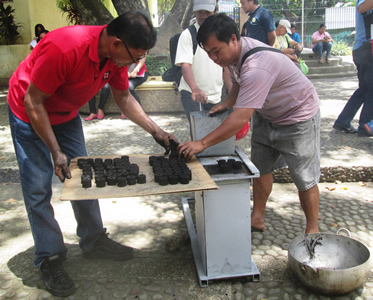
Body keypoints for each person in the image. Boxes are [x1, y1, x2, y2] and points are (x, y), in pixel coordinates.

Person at [7, 11, 177, 297]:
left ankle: (93, 239)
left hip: (65, 114)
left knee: (85, 176)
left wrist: (156, 131)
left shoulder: (116, 56)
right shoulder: (64, 47)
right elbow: (33, 100)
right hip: (29, 111)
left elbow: (123, 97)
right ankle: (49, 256)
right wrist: (56, 151)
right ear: (116, 43)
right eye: (135, 57)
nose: (136, 64)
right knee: (38, 187)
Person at [178, 13, 320, 235]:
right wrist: (227, 103)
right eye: (209, 53)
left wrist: (202, 143)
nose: (214, 58)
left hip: (297, 116)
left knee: (304, 177)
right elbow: (237, 82)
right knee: (261, 168)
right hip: (267, 113)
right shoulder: (236, 56)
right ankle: (257, 217)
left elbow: (241, 117)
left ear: (233, 39)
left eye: (216, 51)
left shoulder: (257, 66)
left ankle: (312, 229)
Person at [175, 0, 232, 134]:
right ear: (194, 12)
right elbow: (185, 64)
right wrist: (195, 88)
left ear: (215, 12)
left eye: (208, 12)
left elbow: (226, 67)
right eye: (200, 12)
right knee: (199, 131)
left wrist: (232, 91)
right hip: (192, 92)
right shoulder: (188, 35)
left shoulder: (221, 35)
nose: (203, 15)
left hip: (215, 94)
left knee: (213, 132)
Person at [333, 0, 373, 136]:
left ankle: (343, 121)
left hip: (363, 50)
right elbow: (361, 8)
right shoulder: (363, 2)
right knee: (371, 91)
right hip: (366, 50)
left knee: (364, 89)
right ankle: (365, 127)